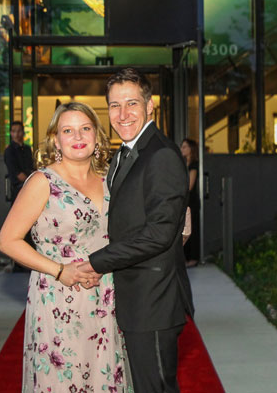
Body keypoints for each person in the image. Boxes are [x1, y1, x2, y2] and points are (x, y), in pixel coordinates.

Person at [0, 102, 131, 392]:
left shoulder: (111, 179)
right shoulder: (43, 181)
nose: (78, 136)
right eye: (67, 130)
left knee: (103, 377)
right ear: (56, 140)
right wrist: (59, 271)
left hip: (105, 295)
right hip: (58, 298)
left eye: (85, 128)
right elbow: (7, 240)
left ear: (97, 135)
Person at [80, 68, 193, 393]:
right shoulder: (123, 155)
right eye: (115, 105)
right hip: (134, 297)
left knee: (155, 388)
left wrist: (96, 261)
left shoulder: (161, 155)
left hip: (153, 300)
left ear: (150, 105)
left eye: (131, 103)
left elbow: (159, 233)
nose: (123, 113)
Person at [180, 138, 201, 267]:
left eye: (184, 147)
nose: (182, 149)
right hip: (183, 200)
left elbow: (190, 186)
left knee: (192, 229)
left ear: (191, 149)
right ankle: (185, 258)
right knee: (183, 229)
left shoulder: (194, 165)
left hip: (190, 201)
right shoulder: (183, 164)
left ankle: (193, 258)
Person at [4, 120, 35, 204]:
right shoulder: (10, 150)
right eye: (14, 131)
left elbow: (31, 167)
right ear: (10, 133)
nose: (16, 134)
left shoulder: (27, 149)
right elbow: (17, 174)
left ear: (23, 132)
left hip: (30, 186)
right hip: (19, 188)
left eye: (19, 131)